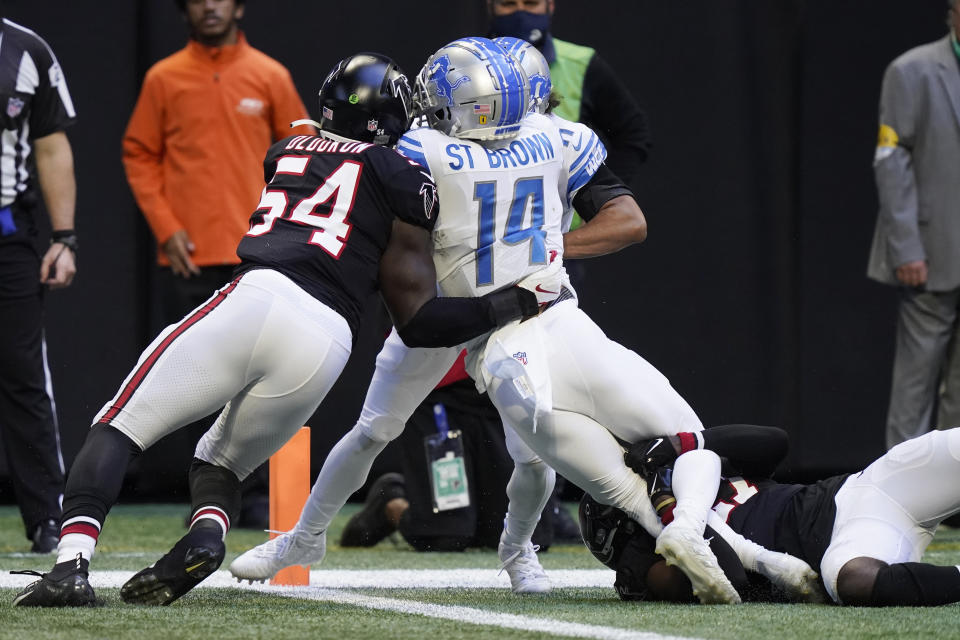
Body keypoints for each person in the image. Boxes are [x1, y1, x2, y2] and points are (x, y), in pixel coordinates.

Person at [12, 52, 551, 608]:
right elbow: (414, 313)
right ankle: (206, 534)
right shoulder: (405, 178)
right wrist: (510, 299)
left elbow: (329, 170)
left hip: (260, 294)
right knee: (220, 463)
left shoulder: (285, 151)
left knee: (118, 426)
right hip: (327, 340)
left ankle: (70, 565)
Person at [229, 37, 744, 605]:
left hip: (508, 320)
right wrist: (549, 253)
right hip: (446, 311)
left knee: (525, 449)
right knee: (381, 429)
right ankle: (303, 539)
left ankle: (517, 549)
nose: (428, 102)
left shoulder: (426, 147)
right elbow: (629, 221)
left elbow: (628, 221)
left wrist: (548, 250)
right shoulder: (555, 137)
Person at [122, 0, 314, 517]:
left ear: (239, 7)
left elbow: (306, 154)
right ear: (185, 11)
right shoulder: (165, 78)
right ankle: (204, 497)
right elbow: (139, 153)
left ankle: (249, 494)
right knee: (192, 381)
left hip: (258, 253)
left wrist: (288, 230)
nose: (210, 6)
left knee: (256, 379)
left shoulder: (268, 74)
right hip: (189, 255)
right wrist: (166, 228)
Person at [586, 425, 960, 606]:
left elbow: (774, 441)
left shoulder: (694, 472)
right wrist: (674, 517)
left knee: (940, 450)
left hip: (863, 489)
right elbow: (728, 574)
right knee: (855, 581)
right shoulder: (655, 562)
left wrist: (682, 443)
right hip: (847, 545)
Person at [867, 0, 960, 449]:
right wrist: (906, 247)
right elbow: (891, 159)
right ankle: (902, 496)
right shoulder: (913, 70)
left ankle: (953, 499)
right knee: (916, 387)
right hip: (933, 251)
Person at [0, 15, 77, 554]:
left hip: (8, 234)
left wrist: (65, 237)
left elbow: (50, 145)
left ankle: (48, 516)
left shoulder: (27, 49)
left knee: (25, 376)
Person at [486, 0, 650, 196]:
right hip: (484, 221)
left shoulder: (581, 63)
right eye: (508, 4)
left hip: (565, 225)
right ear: (491, 7)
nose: (520, 13)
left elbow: (633, 132)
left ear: (550, 6)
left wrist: (602, 200)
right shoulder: (461, 64)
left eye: (531, 3)